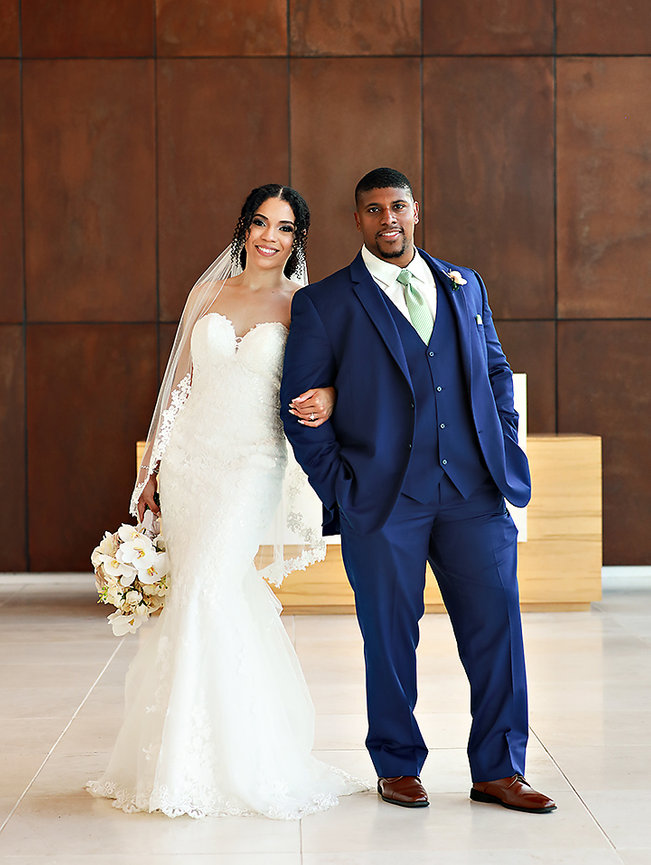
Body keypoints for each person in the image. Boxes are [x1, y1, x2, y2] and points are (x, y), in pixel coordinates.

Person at [280, 167, 556, 814]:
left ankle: (500, 769)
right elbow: (301, 409)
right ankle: (397, 763)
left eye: (397, 206)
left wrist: (502, 439)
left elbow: (493, 369)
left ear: (415, 210)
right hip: (382, 501)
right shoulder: (324, 303)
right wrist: (342, 489)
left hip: (474, 493)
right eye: (374, 210)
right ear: (358, 220)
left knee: (497, 631)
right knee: (388, 637)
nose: (388, 219)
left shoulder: (465, 283)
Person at [87, 184, 365, 819]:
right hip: (190, 460)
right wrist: (153, 468)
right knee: (195, 592)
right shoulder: (207, 293)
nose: (271, 236)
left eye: (285, 227)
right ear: (244, 227)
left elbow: (337, 376)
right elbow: (177, 388)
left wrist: (329, 399)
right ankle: (181, 758)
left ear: (298, 240)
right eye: (261, 222)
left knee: (210, 588)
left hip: (251, 462)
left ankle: (241, 762)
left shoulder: (302, 303)